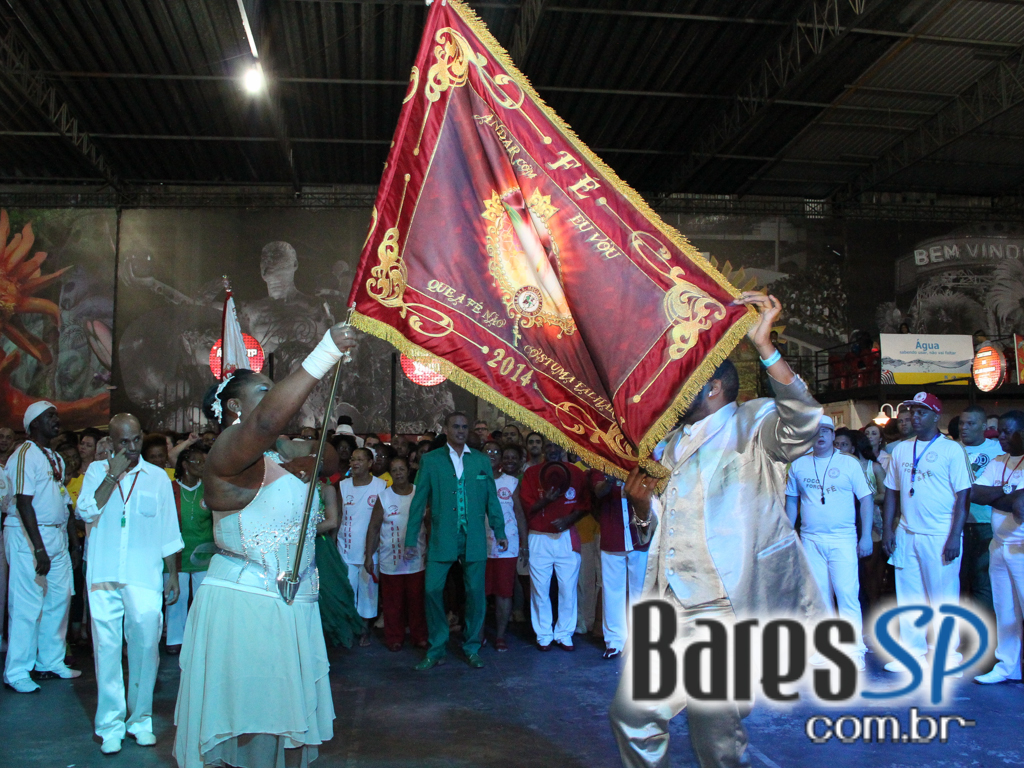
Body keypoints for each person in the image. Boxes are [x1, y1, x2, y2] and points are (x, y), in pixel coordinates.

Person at [609, 292, 825, 768]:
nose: (671, 391)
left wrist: (765, 346)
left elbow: (807, 422)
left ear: (713, 389)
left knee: (715, 735)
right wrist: (640, 509)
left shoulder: (755, 423)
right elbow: (652, 534)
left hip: (728, 606)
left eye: (682, 384)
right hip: (672, 606)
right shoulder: (664, 444)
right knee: (632, 711)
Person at [173, 324, 355, 768]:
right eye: (265, 390)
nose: (278, 398)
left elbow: (331, 459)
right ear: (235, 407)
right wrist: (325, 351)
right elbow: (268, 420)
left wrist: (297, 455)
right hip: (246, 603)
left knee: (280, 721)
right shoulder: (226, 452)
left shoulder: (274, 453)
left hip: (289, 604)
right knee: (252, 720)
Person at [76, 413, 183, 754]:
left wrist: (173, 574)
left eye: (136, 440)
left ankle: (140, 719)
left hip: (143, 575)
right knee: (106, 650)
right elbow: (86, 510)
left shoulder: (157, 478)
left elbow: (169, 531)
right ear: (111, 442)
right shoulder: (95, 472)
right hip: (103, 574)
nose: (132, 447)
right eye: (124, 442)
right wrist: (111, 474)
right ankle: (109, 724)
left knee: (146, 646)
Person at [404, 412, 506, 670]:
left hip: (473, 538)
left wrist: (499, 530)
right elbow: (418, 503)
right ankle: (437, 646)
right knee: (432, 590)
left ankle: (471, 646)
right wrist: (410, 539)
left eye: (464, 426)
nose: (460, 431)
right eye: (455, 426)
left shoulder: (481, 461)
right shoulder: (431, 460)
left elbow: (492, 500)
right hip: (443, 536)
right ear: (446, 429)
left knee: (475, 594)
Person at [882, 392, 971, 672]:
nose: (914, 417)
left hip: (940, 533)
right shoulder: (900, 449)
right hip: (908, 532)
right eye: (911, 412)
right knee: (909, 596)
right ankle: (912, 652)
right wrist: (888, 530)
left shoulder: (952, 449)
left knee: (942, 596)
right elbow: (892, 494)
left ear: (936, 416)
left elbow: (964, 496)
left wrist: (954, 535)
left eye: (921, 413)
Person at [3, 401, 81, 694]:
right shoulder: (24, 453)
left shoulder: (55, 458)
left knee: (59, 600)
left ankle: (49, 660)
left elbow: (65, 502)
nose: (56, 421)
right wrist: (38, 549)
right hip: (28, 537)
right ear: (34, 423)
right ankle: (17, 670)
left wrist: (74, 544)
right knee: (26, 604)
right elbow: (23, 502)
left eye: (57, 416)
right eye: (50, 417)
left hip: (56, 536)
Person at [786, 416, 873, 669]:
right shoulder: (799, 465)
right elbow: (792, 501)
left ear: (834, 435)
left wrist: (865, 536)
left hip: (842, 538)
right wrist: (789, 532)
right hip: (810, 538)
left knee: (846, 594)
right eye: (816, 431)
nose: (821, 436)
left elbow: (866, 499)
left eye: (826, 431)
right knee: (820, 597)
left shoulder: (849, 464)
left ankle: (854, 649)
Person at [518, 441, 590, 651]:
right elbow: (527, 506)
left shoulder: (576, 473)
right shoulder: (532, 474)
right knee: (540, 589)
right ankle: (544, 634)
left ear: (564, 448)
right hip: (539, 537)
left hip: (566, 537)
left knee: (568, 589)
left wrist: (568, 520)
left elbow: (585, 505)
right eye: (548, 446)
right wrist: (545, 500)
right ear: (543, 449)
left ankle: (564, 633)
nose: (552, 450)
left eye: (557, 445)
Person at [969, 410, 1024, 683]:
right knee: (1005, 608)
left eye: (1008, 431)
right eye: (999, 430)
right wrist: (1008, 494)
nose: (1000, 436)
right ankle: (1007, 667)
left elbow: (1021, 508)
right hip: (999, 545)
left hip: (1021, 548)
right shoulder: (998, 461)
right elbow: (976, 494)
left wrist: (999, 494)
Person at [364, 456, 427, 651]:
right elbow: (374, 528)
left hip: (416, 559)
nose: (398, 473)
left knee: (417, 602)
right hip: (390, 559)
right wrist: (368, 556)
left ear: (408, 471)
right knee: (393, 603)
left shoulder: (419, 494)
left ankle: (419, 636)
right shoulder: (384, 497)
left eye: (402, 469)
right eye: (394, 470)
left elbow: (431, 524)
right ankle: (394, 638)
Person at [591, 472, 650, 660]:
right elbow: (598, 492)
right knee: (612, 591)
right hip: (613, 536)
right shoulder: (600, 465)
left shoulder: (644, 467)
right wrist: (610, 478)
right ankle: (615, 641)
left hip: (640, 537)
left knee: (640, 591)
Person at [164, 444, 211, 656]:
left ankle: (202, 639)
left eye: (204, 462)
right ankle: (175, 638)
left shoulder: (209, 488)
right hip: (177, 556)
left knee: (203, 599)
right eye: (197, 462)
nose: (202, 466)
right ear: (184, 465)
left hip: (204, 554)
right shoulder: (170, 488)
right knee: (176, 597)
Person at [338, 446, 386, 646]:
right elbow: (339, 517)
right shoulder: (342, 486)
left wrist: (371, 552)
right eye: (352, 459)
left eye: (359, 459)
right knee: (347, 589)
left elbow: (380, 521)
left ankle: (364, 628)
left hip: (370, 549)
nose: (355, 463)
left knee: (368, 591)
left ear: (369, 463)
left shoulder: (380, 486)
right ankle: (349, 628)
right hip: (345, 546)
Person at [957, 405, 1000, 617]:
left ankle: (984, 633)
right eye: (961, 423)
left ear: (984, 426)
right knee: (957, 581)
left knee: (982, 583)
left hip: (986, 524)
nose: (964, 428)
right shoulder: (951, 449)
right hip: (957, 524)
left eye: (970, 423)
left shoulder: (998, 451)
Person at [484, 442, 526, 651]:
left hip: (506, 545)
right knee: (479, 593)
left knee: (503, 592)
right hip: (480, 545)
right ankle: (478, 633)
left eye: (496, 452)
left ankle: (500, 635)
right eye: (488, 452)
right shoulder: (474, 480)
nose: (492, 455)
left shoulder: (511, 482)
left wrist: (524, 543)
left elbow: (519, 513)